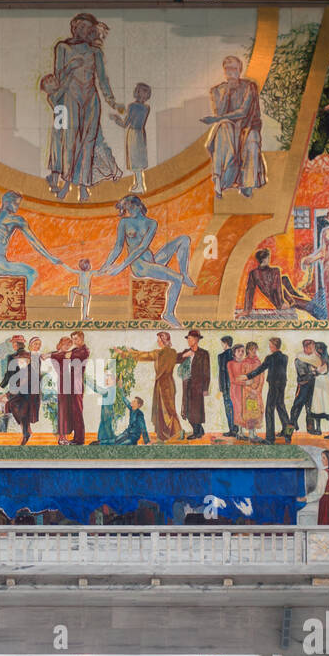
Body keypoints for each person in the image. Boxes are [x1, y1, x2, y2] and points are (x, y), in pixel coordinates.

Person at [44, 13, 123, 202]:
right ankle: (67, 184)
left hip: (91, 99)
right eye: (81, 27)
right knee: (70, 142)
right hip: (70, 97)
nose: (84, 31)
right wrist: (70, 67)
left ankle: (84, 186)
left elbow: (102, 79)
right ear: (73, 26)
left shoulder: (95, 52)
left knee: (88, 143)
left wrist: (112, 101)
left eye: (88, 29)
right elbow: (57, 79)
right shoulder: (63, 48)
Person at [97, 194, 196, 327]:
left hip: (152, 260)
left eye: (131, 207)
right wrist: (105, 266)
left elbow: (143, 247)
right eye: (126, 208)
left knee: (184, 239)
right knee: (176, 278)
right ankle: (169, 314)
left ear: (139, 206)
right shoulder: (124, 223)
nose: (129, 211)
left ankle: (185, 274)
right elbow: (118, 247)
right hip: (140, 266)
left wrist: (120, 266)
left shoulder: (152, 223)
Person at [202, 55, 266, 197]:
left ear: (240, 70)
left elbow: (243, 112)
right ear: (224, 71)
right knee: (223, 127)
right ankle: (219, 178)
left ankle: (247, 184)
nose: (231, 72)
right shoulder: (216, 90)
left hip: (247, 126)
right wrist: (227, 94)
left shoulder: (249, 87)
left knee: (252, 140)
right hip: (229, 127)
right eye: (227, 69)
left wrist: (217, 118)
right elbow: (220, 112)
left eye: (234, 69)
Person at [0, 190, 60, 291]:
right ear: (6, 202)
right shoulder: (17, 220)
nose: (17, 207)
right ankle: (18, 299)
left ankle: (11, 295)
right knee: (32, 273)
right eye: (15, 203)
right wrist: (51, 258)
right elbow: (34, 242)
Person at [123, 330, 183, 441]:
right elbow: (180, 358)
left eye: (159, 340)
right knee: (170, 409)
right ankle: (172, 433)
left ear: (163, 341)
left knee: (163, 409)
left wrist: (127, 353)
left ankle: (172, 434)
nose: (158, 342)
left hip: (161, 385)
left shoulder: (158, 353)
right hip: (170, 384)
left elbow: (143, 355)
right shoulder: (173, 352)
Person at [244, 337, 290, 443]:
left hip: (273, 385)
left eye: (270, 345)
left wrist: (248, 376)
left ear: (274, 346)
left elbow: (261, 369)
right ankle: (288, 434)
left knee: (269, 410)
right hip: (282, 385)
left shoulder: (270, 358)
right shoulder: (285, 357)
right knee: (281, 408)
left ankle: (270, 438)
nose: (269, 347)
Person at [112, 82, 151, 192]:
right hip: (141, 134)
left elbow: (125, 124)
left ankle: (140, 185)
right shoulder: (146, 108)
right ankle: (139, 183)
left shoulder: (132, 106)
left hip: (133, 134)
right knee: (139, 159)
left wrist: (116, 119)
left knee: (135, 160)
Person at [178, 329, 211, 440]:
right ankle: (199, 430)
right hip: (187, 384)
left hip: (198, 385)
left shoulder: (204, 353)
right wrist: (185, 355)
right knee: (187, 408)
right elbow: (175, 359)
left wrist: (205, 388)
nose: (189, 341)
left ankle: (197, 432)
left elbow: (207, 372)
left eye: (191, 339)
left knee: (196, 409)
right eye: (188, 339)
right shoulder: (186, 351)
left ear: (196, 339)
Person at [289, 339, 319, 435]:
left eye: (313, 347)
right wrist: (315, 372)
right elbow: (303, 375)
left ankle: (311, 429)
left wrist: (315, 373)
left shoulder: (314, 358)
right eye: (311, 347)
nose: (313, 349)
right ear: (305, 347)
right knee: (296, 409)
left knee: (310, 409)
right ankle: (288, 432)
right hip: (303, 387)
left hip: (312, 387)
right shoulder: (300, 359)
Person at [217, 336, 238, 436]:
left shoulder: (221, 356)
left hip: (226, 386)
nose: (222, 345)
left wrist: (221, 387)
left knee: (228, 407)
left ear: (225, 343)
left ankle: (232, 430)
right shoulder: (235, 354)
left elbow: (222, 373)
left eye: (222, 343)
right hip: (235, 385)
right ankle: (235, 429)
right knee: (235, 407)